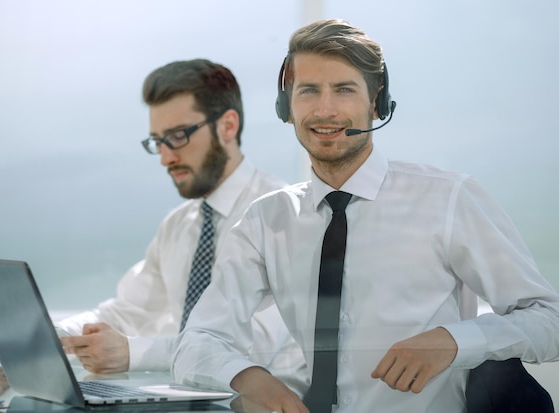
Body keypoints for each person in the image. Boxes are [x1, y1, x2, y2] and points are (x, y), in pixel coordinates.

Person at [172, 19, 559, 412]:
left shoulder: (448, 199)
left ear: (376, 103)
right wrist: (249, 378)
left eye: (344, 89)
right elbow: (196, 343)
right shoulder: (265, 222)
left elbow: (550, 320)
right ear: (285, 106)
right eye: (308, 91)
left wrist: (455, 341)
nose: (325, 110)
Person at [0, 58, 309, 395]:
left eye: (178, 136)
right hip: (182, 398)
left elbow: (261, 345)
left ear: (227, 126)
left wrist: (133, 353)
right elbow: (128, 311)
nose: (166, 158)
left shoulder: (280, 214)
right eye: (158, 141)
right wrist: (47, 335)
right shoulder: (179, 226)